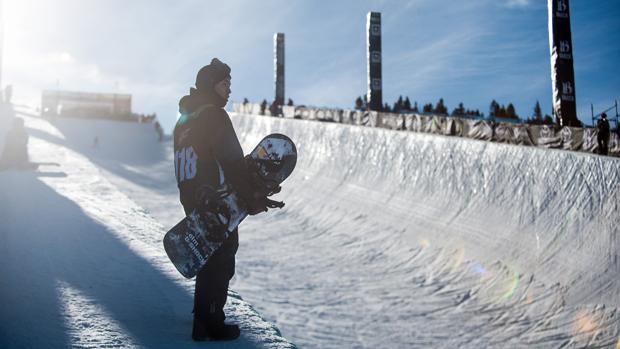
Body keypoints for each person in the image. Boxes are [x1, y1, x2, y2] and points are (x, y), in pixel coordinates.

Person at [174, 58, 275, 341]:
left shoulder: (183, 123)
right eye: (224, 83)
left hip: (193, 197)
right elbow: (231, 161)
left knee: (206, 255)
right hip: (217, 197)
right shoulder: (214, 116)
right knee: (222, 257)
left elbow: (185, 164)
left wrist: (191, 199)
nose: (229, 89)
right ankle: (211, 322)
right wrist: (250, 195)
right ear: (210, 84)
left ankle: (201, 318)